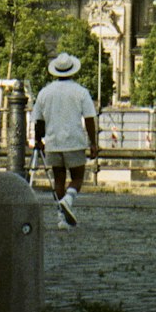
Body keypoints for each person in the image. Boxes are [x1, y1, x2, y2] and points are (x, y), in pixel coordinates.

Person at [31, 52, 97, 229]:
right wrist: (93, 142)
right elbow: (90, 118)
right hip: (74, 140)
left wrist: (39, 139)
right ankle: (68, 200)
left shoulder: (45, 92)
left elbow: (38, 120)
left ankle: (62, 218)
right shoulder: (81, 92)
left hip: (53, 142)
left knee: (58, 180)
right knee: (77, 178)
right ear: (72, 71)